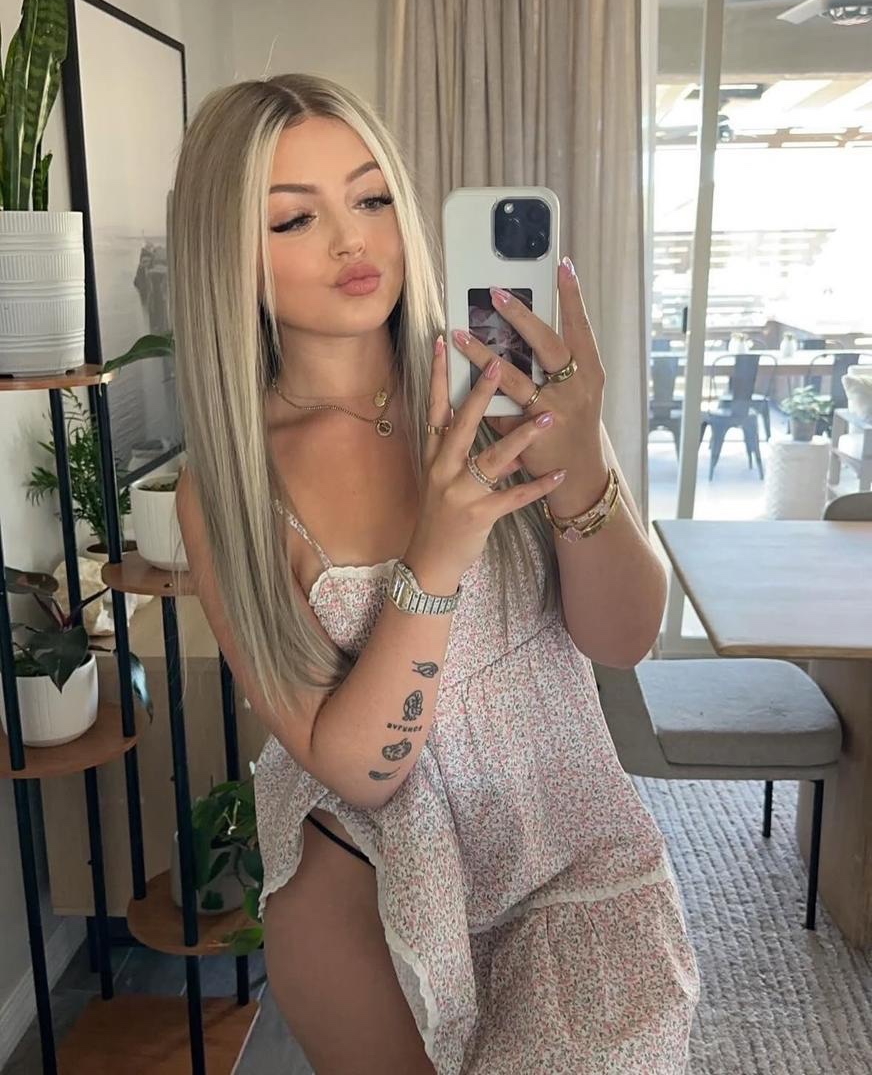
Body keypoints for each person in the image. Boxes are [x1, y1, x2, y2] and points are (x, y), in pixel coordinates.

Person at [172, 72, 700, 1075]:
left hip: (569, 844)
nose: (351, 240)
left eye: (372, 197)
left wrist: (581, 462)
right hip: (367, 878)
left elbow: (623, 638)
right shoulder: (232, 487)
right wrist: (439, 551)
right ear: (226, 257)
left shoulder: (498, 384)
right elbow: (362, 771)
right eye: (294, 218)